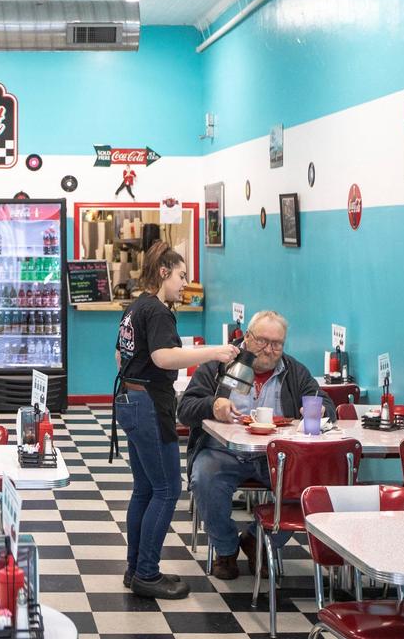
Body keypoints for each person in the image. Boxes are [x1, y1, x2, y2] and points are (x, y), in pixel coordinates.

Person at [111, 241, 238, 599]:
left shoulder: (134, 308)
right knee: (167, 490)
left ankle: (135, 568)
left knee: (145, 489)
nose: (185, 283)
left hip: (129, 400)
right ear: (164, 272)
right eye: (182, 275)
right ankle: (147, 574)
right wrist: (215, 351)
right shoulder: (158, 311)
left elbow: (121, 358)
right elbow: (164, 357)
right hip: (149, 405)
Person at [178, 310, 336, 580]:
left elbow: (326, 405)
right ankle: (226, 549)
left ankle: (258, 540)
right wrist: (213, 406)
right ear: (247, 338)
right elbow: (184, 409)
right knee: (204, 478)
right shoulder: (220, 366)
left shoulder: (293, 371)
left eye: (277, 344)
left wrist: (320, 412)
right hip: (222, 451)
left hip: (274, 458)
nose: (270, 350)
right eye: (263, 341)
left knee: (308, 483)